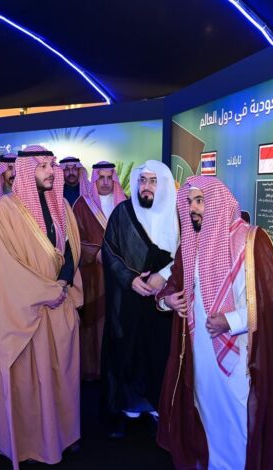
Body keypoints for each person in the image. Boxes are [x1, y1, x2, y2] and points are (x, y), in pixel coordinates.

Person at [155, 176, 273, 470]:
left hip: (238, 356)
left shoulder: (251, 241)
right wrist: (168, 301)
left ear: (217, 202)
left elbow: (270, 304)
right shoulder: (190, 244)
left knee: (238, 420)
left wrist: (229, 321)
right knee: (207, 416)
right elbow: (172, 285)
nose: (193, 208)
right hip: (199, 354)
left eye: (200, 200)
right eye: (189, 202)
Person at [0, 145, 83, 468]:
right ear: (28, 171)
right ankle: (33, 445)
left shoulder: (61, 206)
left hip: (60, 303)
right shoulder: (5, 210)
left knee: (62, 376)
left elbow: (71, 250)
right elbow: (6, 267)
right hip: (27, 312)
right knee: (31, 380)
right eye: (43, 167)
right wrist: (45, 290)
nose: (51, 172)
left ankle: (64, 435)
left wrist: (64, 283)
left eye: (51, 166)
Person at [100, 160, 178, 437]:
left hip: (163, 299)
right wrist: (130, 279)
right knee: (128, 353)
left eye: (153, 181)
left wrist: (163, 276)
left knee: (159, 351)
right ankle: (128, 407)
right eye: (143, 181)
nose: (146, 187)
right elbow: (109, 251)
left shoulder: (177, 214)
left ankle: (159, 406)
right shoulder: (123, 213)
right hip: (128, 299)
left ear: (163, 184)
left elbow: (186, 254)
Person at [72, 161, 127, 380]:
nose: (105, 183)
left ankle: (119, 370)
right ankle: (93, 370)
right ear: (94, 180)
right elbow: (75, 240)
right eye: (100, 178)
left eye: (109, 178)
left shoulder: (125, 204)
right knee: (95, 323)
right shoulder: (81, 205)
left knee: (120, 320)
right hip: (93, 276)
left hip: (122, 277)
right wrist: (95, 253)